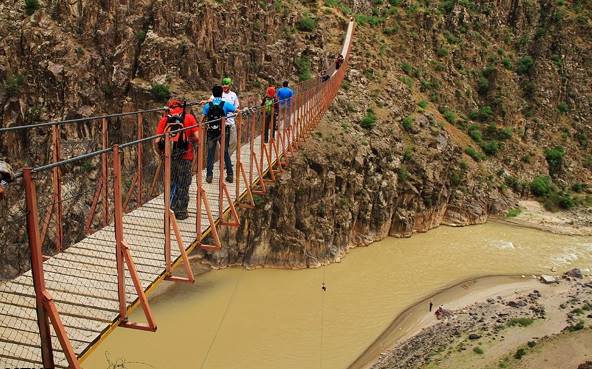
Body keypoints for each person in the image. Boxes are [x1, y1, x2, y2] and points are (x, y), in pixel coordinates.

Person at [155, 99, 199, 220]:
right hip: (186, 156)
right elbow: (197, 137)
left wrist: (161, 155)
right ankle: (181, 212)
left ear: (169, 109)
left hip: (170, 158)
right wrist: (192, 143)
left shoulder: (165, 120)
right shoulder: (189, 117)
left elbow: (157, 141)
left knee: (170, 182)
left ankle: (169, 209)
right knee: (183, 184)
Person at [202, 85, 237, 184]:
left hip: (211, 132)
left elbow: (204, 117)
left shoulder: (208, 105)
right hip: (223, 131)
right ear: (221, 93)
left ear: (212, 94)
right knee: (225, 151)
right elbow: (234, 109)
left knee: (210, 154)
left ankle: (209, 175)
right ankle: (230, 174)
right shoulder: (225, 104)